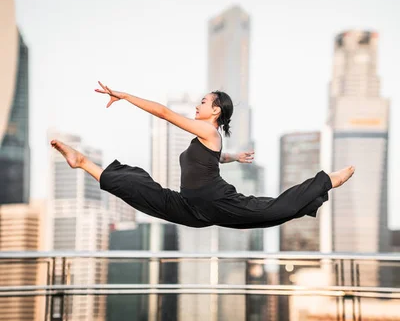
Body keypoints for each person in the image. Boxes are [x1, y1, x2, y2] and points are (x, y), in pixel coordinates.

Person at [50, 82, 355, 229]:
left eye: (203, 102)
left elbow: (164, 112)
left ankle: (325, 181)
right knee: (136, 188)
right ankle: (82, 162)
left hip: (215, 201)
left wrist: (126, 96)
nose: (198, 106)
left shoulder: (208, 132)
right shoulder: (209, 140)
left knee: (270, 211)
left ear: (216, 110)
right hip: (190, 207)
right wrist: (234, 157)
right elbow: (214, 159)